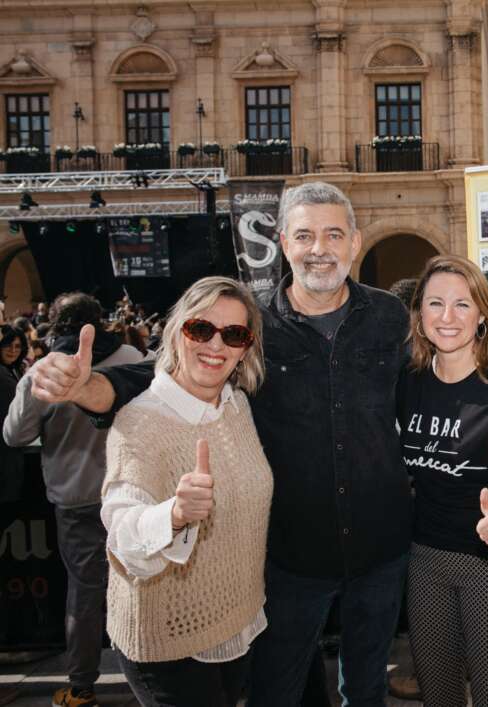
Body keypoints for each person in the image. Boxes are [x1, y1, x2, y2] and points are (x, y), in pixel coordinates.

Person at [28, 182, 412, 706]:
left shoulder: (390, 318)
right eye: (304, 235)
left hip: (379, 549)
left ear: (355, 242)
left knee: (366, 693)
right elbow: (168, 374)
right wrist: (89, 387)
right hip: (291, 557)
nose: (318, 248)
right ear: (282, 242)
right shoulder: (250, 327)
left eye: (332, 234)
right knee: (277, 693)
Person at [102, 276, 271, 706]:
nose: (216, 346)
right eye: (202, 329)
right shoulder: (140, 422)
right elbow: (122, 530)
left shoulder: (237, 405)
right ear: (178, 330)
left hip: (236, 621)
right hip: (170, 640)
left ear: (246, 348)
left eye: (233, 334)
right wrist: (173, 515)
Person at [399, 255, 488, 706]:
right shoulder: (408, 381)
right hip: (426, 560)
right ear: (419, 315)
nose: (447, 317)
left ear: (482, 315)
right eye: (435, 303)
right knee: (439, 698)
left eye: (462, 305)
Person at [3, 293, 144, 707]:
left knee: (85, 594)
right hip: (135, 493)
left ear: (56, 325)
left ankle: (82, 687)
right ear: (100, 321)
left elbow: (14, 435)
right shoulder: (133, 356)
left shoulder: (43, 373)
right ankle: (150, 680)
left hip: (77, 498)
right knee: (141, 587)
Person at [0, 324, 28, 502]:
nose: (13, 350)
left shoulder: (14, 370)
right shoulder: (3, 374)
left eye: (18, 346)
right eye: (8, 345)